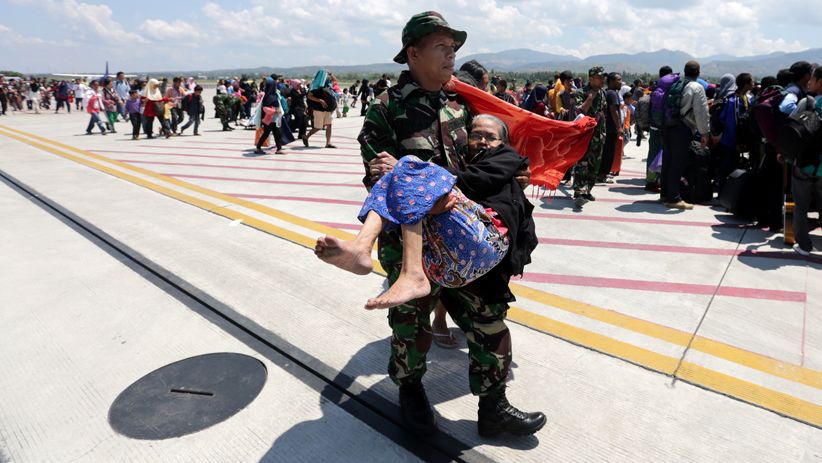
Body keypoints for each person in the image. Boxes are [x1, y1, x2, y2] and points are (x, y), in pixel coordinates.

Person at [356, 11, 545, 438]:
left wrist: (511, 173)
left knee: (489, 319)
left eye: (454, 48)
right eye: (442, 47)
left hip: (465, 237)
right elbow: (379, 178)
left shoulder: (461, 104)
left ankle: (493, 407)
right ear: (413, 53)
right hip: (412, 246)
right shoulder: (385, 111)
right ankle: (411, 395)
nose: (452, 55)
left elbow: (484, 158)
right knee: (410, 325)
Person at [317, 114, 535, 310]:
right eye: (476, 135)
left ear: (503, 143)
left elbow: (477, 181)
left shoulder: (507, 157)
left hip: (487, 240)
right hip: (448, 268)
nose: (482, 141)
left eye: (490, 136)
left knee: (408, 165)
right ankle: (361, 247)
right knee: (400, 175)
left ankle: (404, 270)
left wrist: (414, 168)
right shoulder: (466, 161)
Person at [781, 62, 820, 256]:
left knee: (801, 205)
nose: (810, 82)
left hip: (804, 164)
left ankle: (804, 246)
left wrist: (785, 154)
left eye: (813, 79)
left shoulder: (808, 103)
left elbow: (793, 131)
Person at [661, 60, 709, 210]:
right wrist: (704, 132)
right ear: (698, 73)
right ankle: (674, 198)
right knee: (678, 162)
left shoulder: (675, 84)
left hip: (667, 125)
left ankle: (665, 193)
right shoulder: (697, 87)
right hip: (683, 128)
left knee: (668, 161)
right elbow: (701, 113)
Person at [572, 67, 608, 209]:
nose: (602, 80)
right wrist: (590, 98)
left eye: (603, 77)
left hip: (599, 135)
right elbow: (580, 111)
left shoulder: (603, 92)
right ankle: (579, 192)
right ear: (591, 78)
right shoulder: (581, 92)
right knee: (582, 163)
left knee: (595, 164)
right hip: (585, 135)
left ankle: (587, 191)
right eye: (600, 77)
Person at [598, 72, 623, 184]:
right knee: (609, 152)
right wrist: (619, 127)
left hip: (605, 127)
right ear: (612, 81)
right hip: (611, 128)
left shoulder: (607, 92)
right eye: (619, 79)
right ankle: (603, 175)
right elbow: (614, 111)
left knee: (605, 152)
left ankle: (601, 173)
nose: (621, 81)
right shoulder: (612, 93)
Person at [304, 69, 337, 148]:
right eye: (325, 75)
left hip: (328, 109)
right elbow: (309, 96)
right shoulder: (316, 85)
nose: (327, 76)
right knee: (318, 127)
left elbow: (335, 80)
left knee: (329, 125)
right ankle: (306, 137)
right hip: (319, 109)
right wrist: (320, 100)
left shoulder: (327, 84)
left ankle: (328, 143)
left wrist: (331, 74)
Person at [255, 77, 284, 155]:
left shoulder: (273, 94)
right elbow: (265, 108)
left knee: (277, 133)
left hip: (274, 118)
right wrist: (275, 111)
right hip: (269, 119)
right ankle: (258, 148)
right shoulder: (268, 96)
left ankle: (279, 149)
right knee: (267, 133)